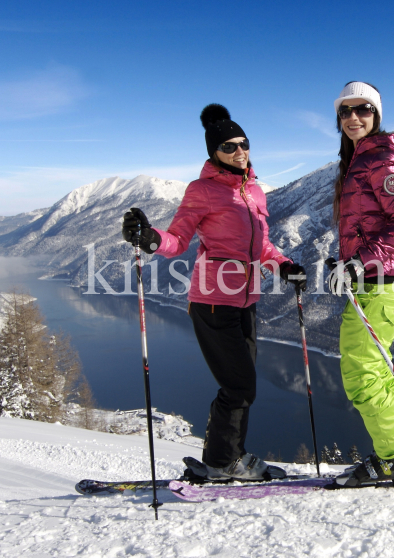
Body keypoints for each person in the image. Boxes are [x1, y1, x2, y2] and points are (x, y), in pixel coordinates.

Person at [121, 104, 306, 481]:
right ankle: (222, 462)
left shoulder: (254, 191)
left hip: (247, 298)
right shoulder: (202, 191)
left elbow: (263, 246)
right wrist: (150, 239)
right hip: (212, 300)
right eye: (229, 146)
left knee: (243, 385)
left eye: (244, 143)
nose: (239, 151)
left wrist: (283, 264)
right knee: (239, 385)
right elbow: (178, 240)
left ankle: (228, 456)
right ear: (214, 153)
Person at [325, 81, 394, 487]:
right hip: (370, 281)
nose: (353, 118)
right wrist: (348, 261)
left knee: (362, 374)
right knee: (376, 373)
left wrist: (359, 262)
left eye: (362, 109)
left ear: (376, 114)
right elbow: (369, 224)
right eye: (345, 112)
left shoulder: (381, 156)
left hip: (379, 284)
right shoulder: (359, 159)